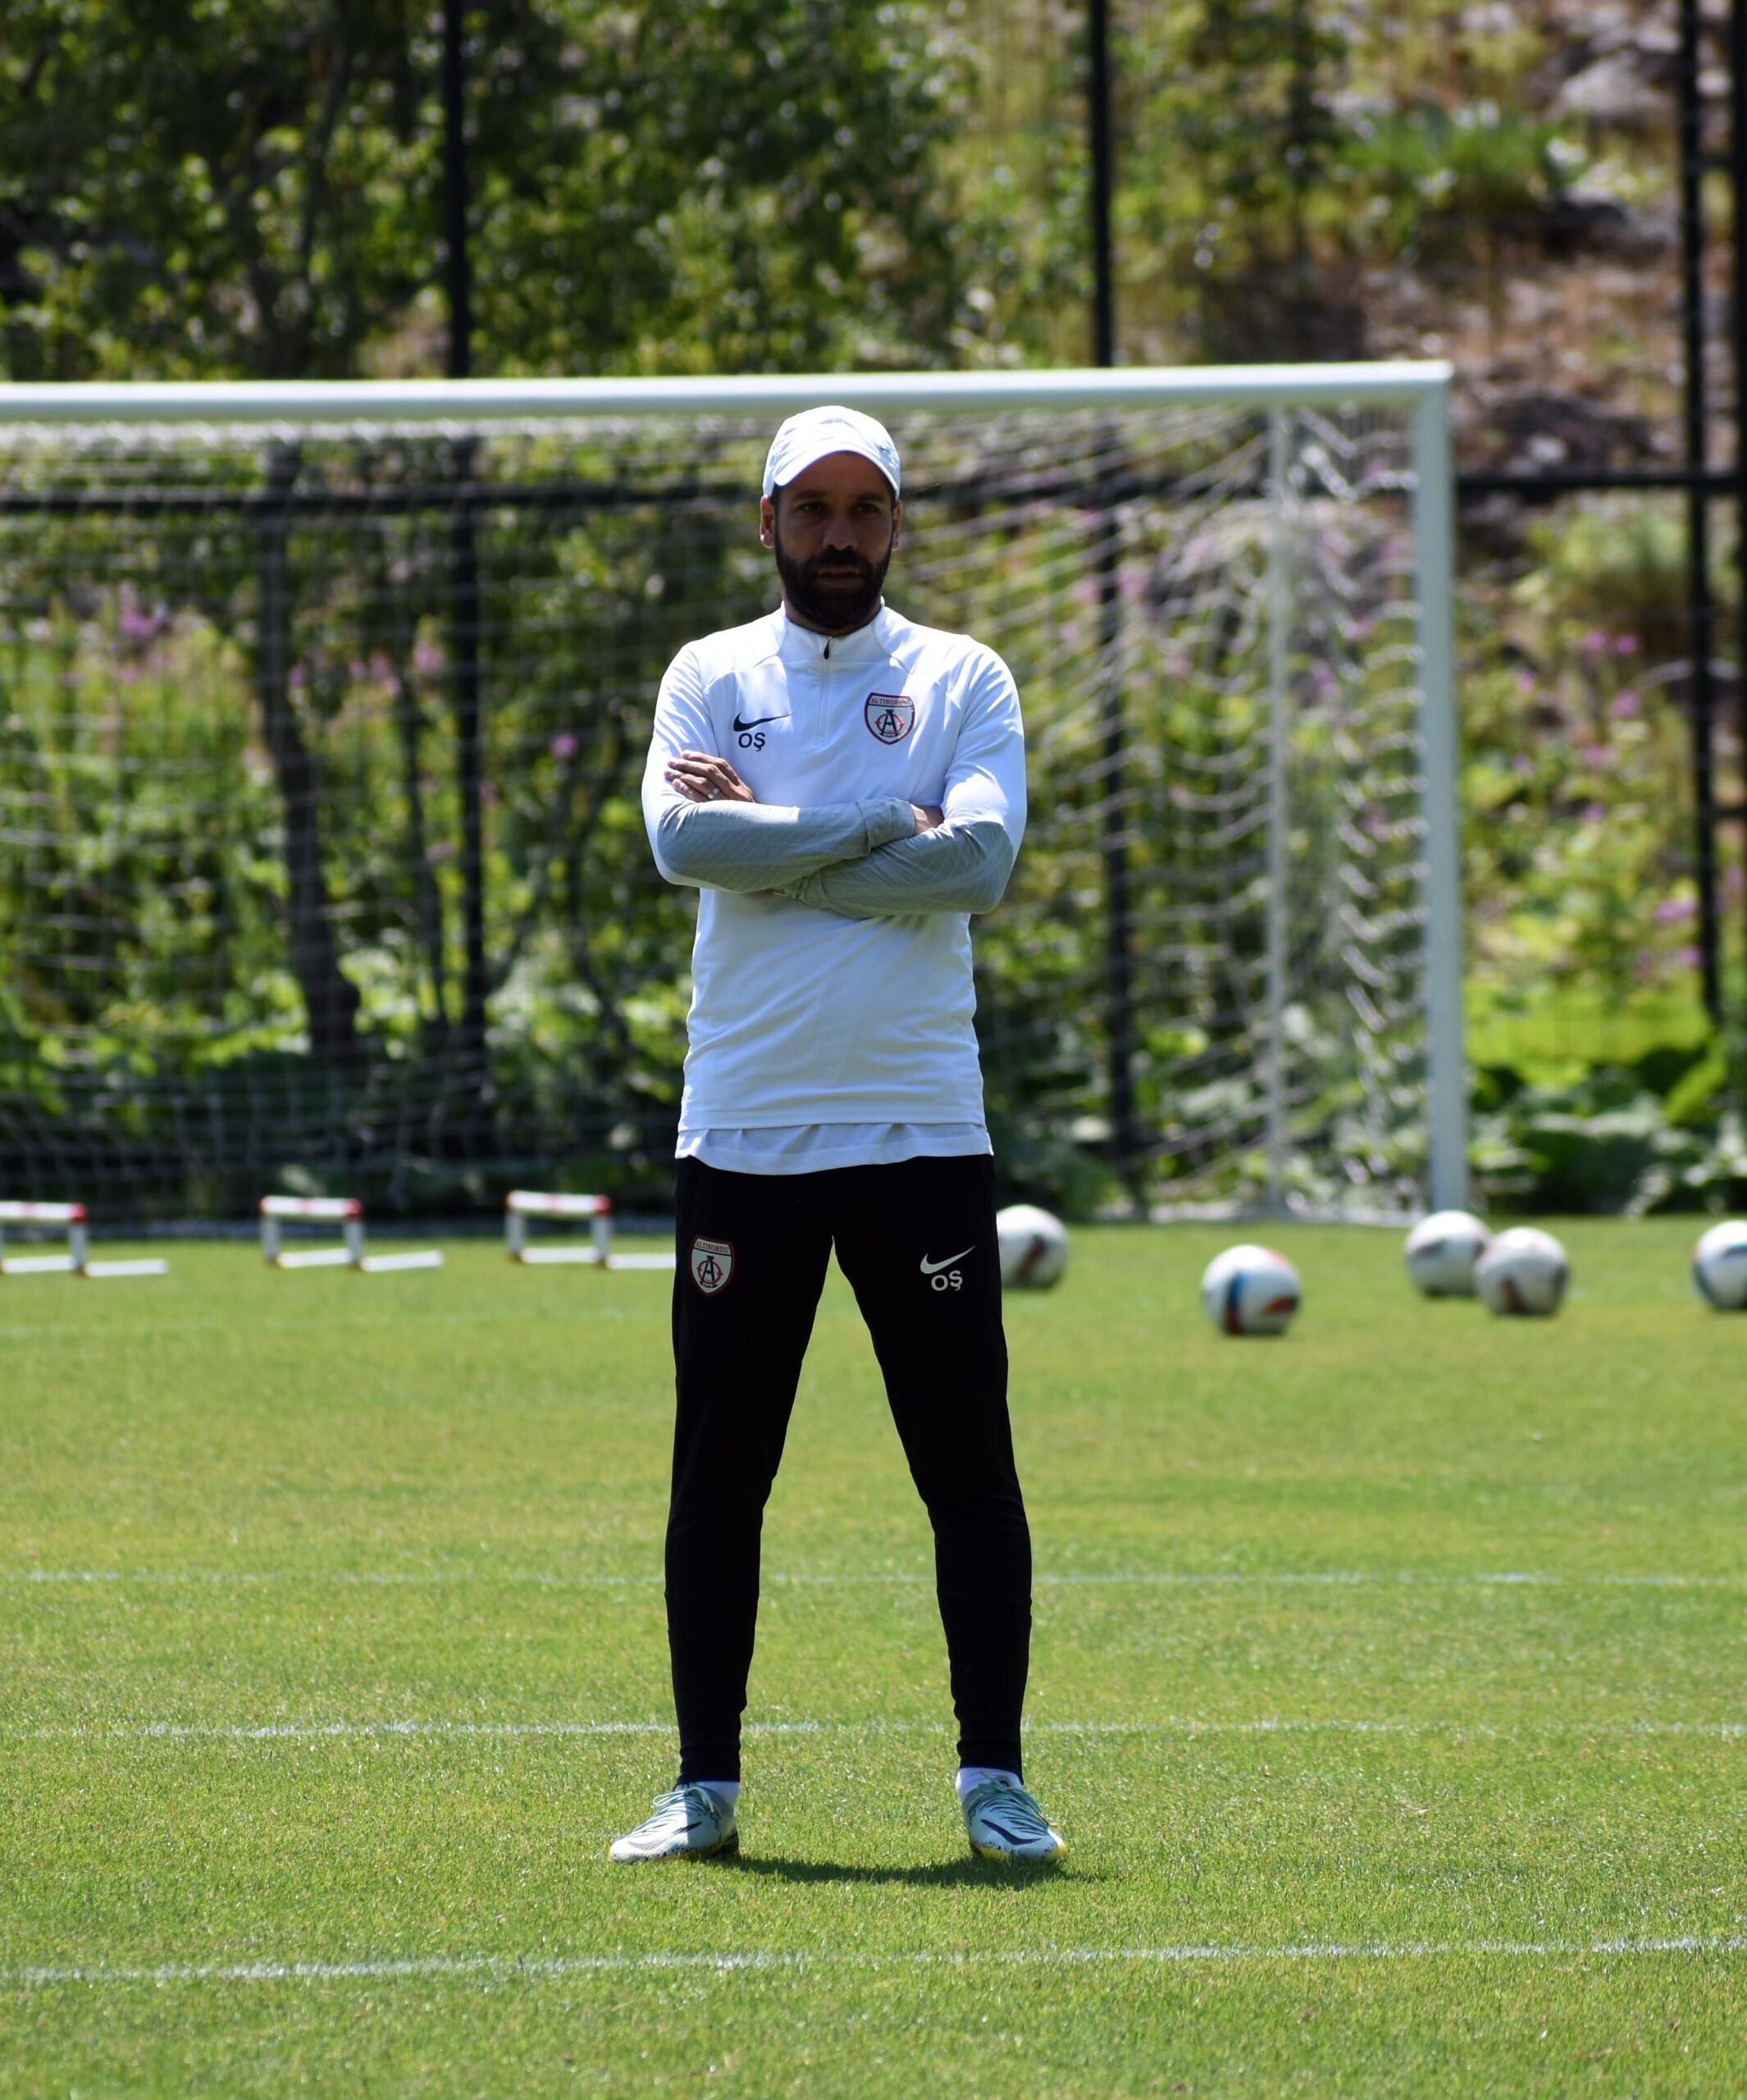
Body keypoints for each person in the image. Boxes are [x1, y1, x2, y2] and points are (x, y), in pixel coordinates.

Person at [611, 405, 1064, 1868]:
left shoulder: (961, 675)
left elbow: (977, 864)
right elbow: (684, 843)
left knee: (966, 1471)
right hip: (742, 1131)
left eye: (865, 509)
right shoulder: (708, 673)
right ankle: (703, 1788)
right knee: (718, 1478)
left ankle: (994, 1782)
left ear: (896, 525)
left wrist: (781, 838)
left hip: (920, 1131)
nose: (839, 536)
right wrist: (880, 825)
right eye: (811, 509)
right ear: (767, 523)